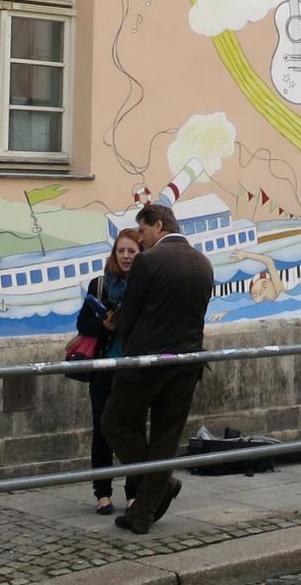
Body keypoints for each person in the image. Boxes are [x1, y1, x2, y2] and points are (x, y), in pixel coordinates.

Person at [104, 201, 214, 534]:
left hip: (148, 362)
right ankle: (141, 514)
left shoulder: (148, 261)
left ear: (158, 226)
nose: (141, 238)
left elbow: (131, 314)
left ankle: (160, 484)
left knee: (115, 423)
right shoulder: (203, 263)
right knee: (166, 437)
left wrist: (126, 341)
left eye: (142, 230)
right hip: (188, 362)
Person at [77, 228, 142, 515]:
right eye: (121, 251)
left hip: (133, 368)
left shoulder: (145, 285)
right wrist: (103, 326)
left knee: (133, 430)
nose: (126, 256)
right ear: (114, 254)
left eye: (132, 251)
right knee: (102, 429)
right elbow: (82, 324)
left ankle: (133, 493)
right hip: (103, 367)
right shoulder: (100, 285)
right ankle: (102, 493)